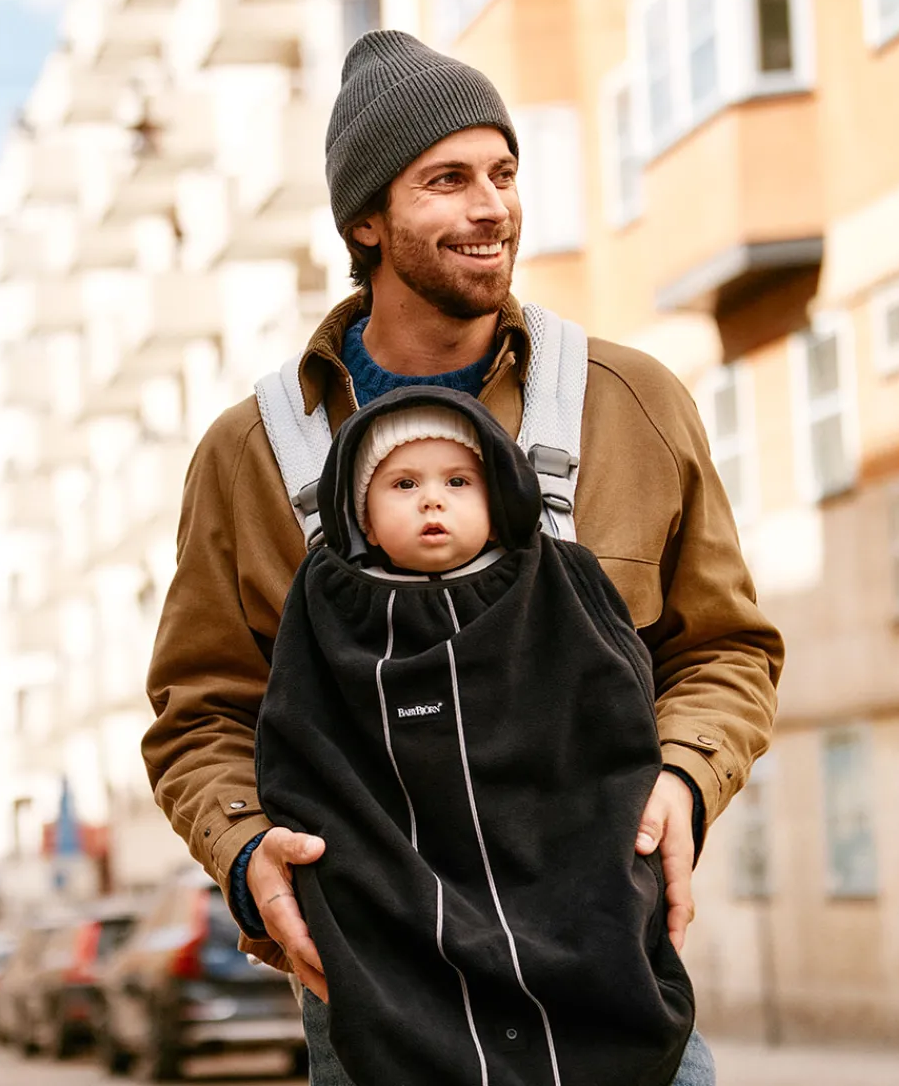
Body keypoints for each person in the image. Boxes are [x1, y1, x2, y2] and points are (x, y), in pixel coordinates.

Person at [143, 29, 783, 1086]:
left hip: (609, 988)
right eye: (447, 181)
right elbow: (201, 712)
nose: (492, 207)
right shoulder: (252, 454)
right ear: (366, 220)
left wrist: (683, 775)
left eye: (504, 173)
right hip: (377, 1005)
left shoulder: (631, 403)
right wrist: (248, 850)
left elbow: (726, 648)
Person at [254, 386, 697, 1086]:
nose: (433, 500)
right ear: (360, 513)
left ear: (499, 495)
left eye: (459, 481)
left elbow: (620, 722)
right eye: (403, 484)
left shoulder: (559, 579)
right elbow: (296, 751)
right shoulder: (326, 606)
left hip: (581, 918)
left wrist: (673, 790)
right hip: (399, 948)